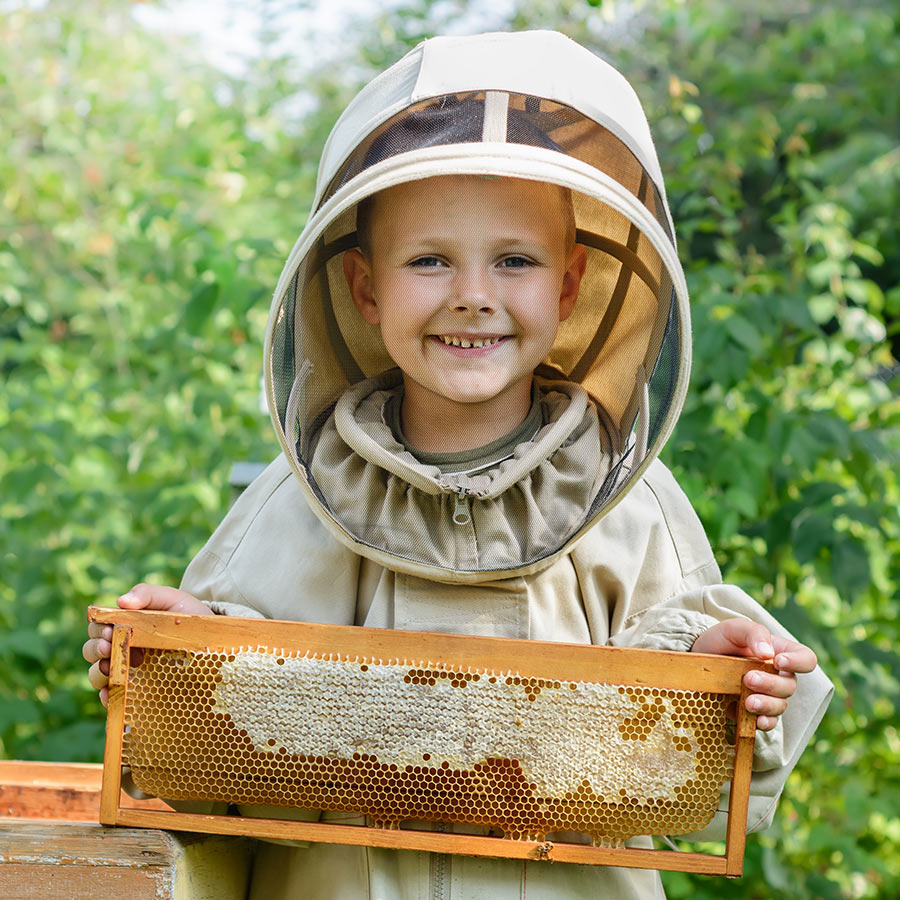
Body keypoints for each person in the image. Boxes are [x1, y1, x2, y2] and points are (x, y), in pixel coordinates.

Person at [83, 30, 832, 900]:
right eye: (429, 259)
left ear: (568, 283)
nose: (472, 293)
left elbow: (691, 793)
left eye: (513, 260)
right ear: (365, 288)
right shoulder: (302, 497)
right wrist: (177, 657)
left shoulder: (624, 500)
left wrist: (720, 675)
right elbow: (207, 780)